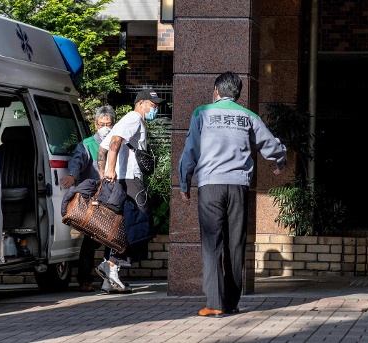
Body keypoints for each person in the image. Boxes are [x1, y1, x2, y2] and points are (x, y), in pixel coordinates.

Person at [178, 71, 287, 317]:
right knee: (235, 244)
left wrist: (184, 183)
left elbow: (190, 150)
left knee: (212, 244)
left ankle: (215, 304)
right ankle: (231, 302)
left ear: (216, 90)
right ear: (237, 94)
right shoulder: (248, 116)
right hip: (238, 186)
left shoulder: (201, 113)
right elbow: (270, 144)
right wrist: (280, 161)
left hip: (210, 186)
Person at [96, 89, 163, 292]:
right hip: (131, 180)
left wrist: (104, 174)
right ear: (141, 103)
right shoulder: (134, 118)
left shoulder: (126, 120)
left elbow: (102, 149)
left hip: (120, 181)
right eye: (153, 105)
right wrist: (109, 169)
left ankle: (109, 279)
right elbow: (115, 142)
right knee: (140, 225)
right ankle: (111, 265)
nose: (156, 109)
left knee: (120, 225)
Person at [60, 105, 119, 294]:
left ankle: (111, 277)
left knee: (113, 239)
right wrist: (71, 175)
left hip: (113, 196)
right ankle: (85, 279)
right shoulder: (87, 144)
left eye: (109, 124)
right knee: (90, 240)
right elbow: (77, 162)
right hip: (94, 199)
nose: (105, 127)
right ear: (95, 125)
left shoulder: (118, 142)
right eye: (102, 124)